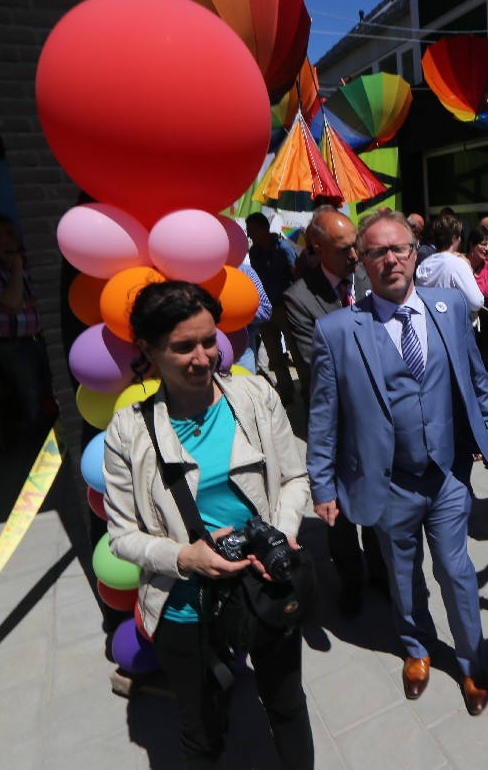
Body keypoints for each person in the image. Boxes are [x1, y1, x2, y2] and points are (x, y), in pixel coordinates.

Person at [102, 281, 313, 769]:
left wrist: (279, 536)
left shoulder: (254, 396)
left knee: (286, 705)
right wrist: (184, 557)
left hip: (265, 586)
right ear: (148, 350)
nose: (203, 358)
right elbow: (122, 536)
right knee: (202, 733)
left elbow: (294, 478)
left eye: (208, 340)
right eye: (183, 347)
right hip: (186, 608)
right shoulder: (128, 431)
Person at [306, 212, 488, 716]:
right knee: (402, 573)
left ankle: (471, 660)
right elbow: (323, 416)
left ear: (416, 253)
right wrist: (322, 485)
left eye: (399, 249)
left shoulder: (449, 307)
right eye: (377, 252)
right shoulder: (337, 331)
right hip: (388, 480)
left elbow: (475, 375)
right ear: (362, 262)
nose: (390, 260)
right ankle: (416, 648)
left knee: (456, 571)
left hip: (447, 474)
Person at [282, 209, 388, 616]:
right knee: (338, 512)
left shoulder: (368, 278)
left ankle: (381, 572)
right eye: (344, 250)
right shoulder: (299, 298)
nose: (355, 256)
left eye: (355, 247)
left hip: (377, 417)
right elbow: (316, 362)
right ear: (318, 249)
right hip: (335, 421)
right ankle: (351, 581)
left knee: (377, 499)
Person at [0, 214, 55, 431]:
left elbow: (48, 295)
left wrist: (23, 303)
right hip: (14, 344)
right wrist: (16, 266)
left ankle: (69, 440)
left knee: (58, 388)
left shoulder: (29, 260)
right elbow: (10, 302)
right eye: (7, 232)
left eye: (13, 231)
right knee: (31, 397)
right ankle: (43, 446)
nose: (14, 236)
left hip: (43, 336)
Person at [246, 212, 299, 403]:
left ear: (263, 229)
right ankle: (286, 392)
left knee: (296, 352)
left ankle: (307, 391)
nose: (249, 235)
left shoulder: (284, 249)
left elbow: (297, 277)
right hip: (265, 311)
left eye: (252, 231)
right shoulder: (254, 253)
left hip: (286, 308)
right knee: (274, 356)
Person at [415, 214, 485, 316]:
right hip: (452, 321)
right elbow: (476, 303)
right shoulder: (458, 264)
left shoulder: (423, 265)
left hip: (429, 321)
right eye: (460, 236)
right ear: (454, 238)